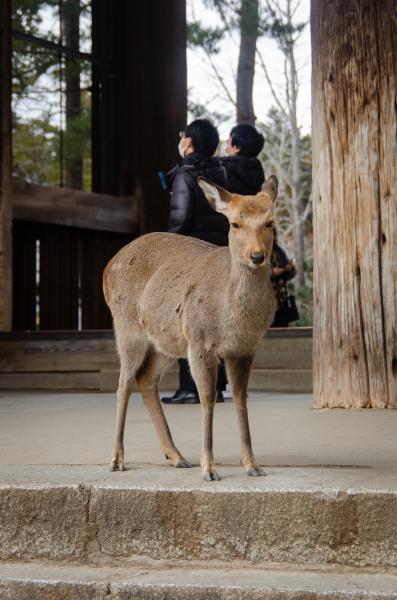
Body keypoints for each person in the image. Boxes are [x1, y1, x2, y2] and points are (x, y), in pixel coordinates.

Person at [162, 119, 229, 405]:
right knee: (215, 321)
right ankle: (215, 386)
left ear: (188, 143)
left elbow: (180, 218)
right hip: (217, 251)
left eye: (183, 137)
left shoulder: (184, 175)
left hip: (191, 255)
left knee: (188, 322)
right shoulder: (220, 171)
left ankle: (191, 387)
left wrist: (166, 253)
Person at [221, 124, 265, 195]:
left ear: (237, 147)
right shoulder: (257, 171)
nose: (226, 141)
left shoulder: (223, 170)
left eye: (229, 138)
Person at [270, 227, 298, 327]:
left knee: (282, 330)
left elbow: (290, 275)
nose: (271, 237)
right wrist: (271, 272)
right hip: (265, 302)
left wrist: (290, 268)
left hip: (282, 299)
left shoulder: (279, 251)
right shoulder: (258, 251)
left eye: (272, 234)